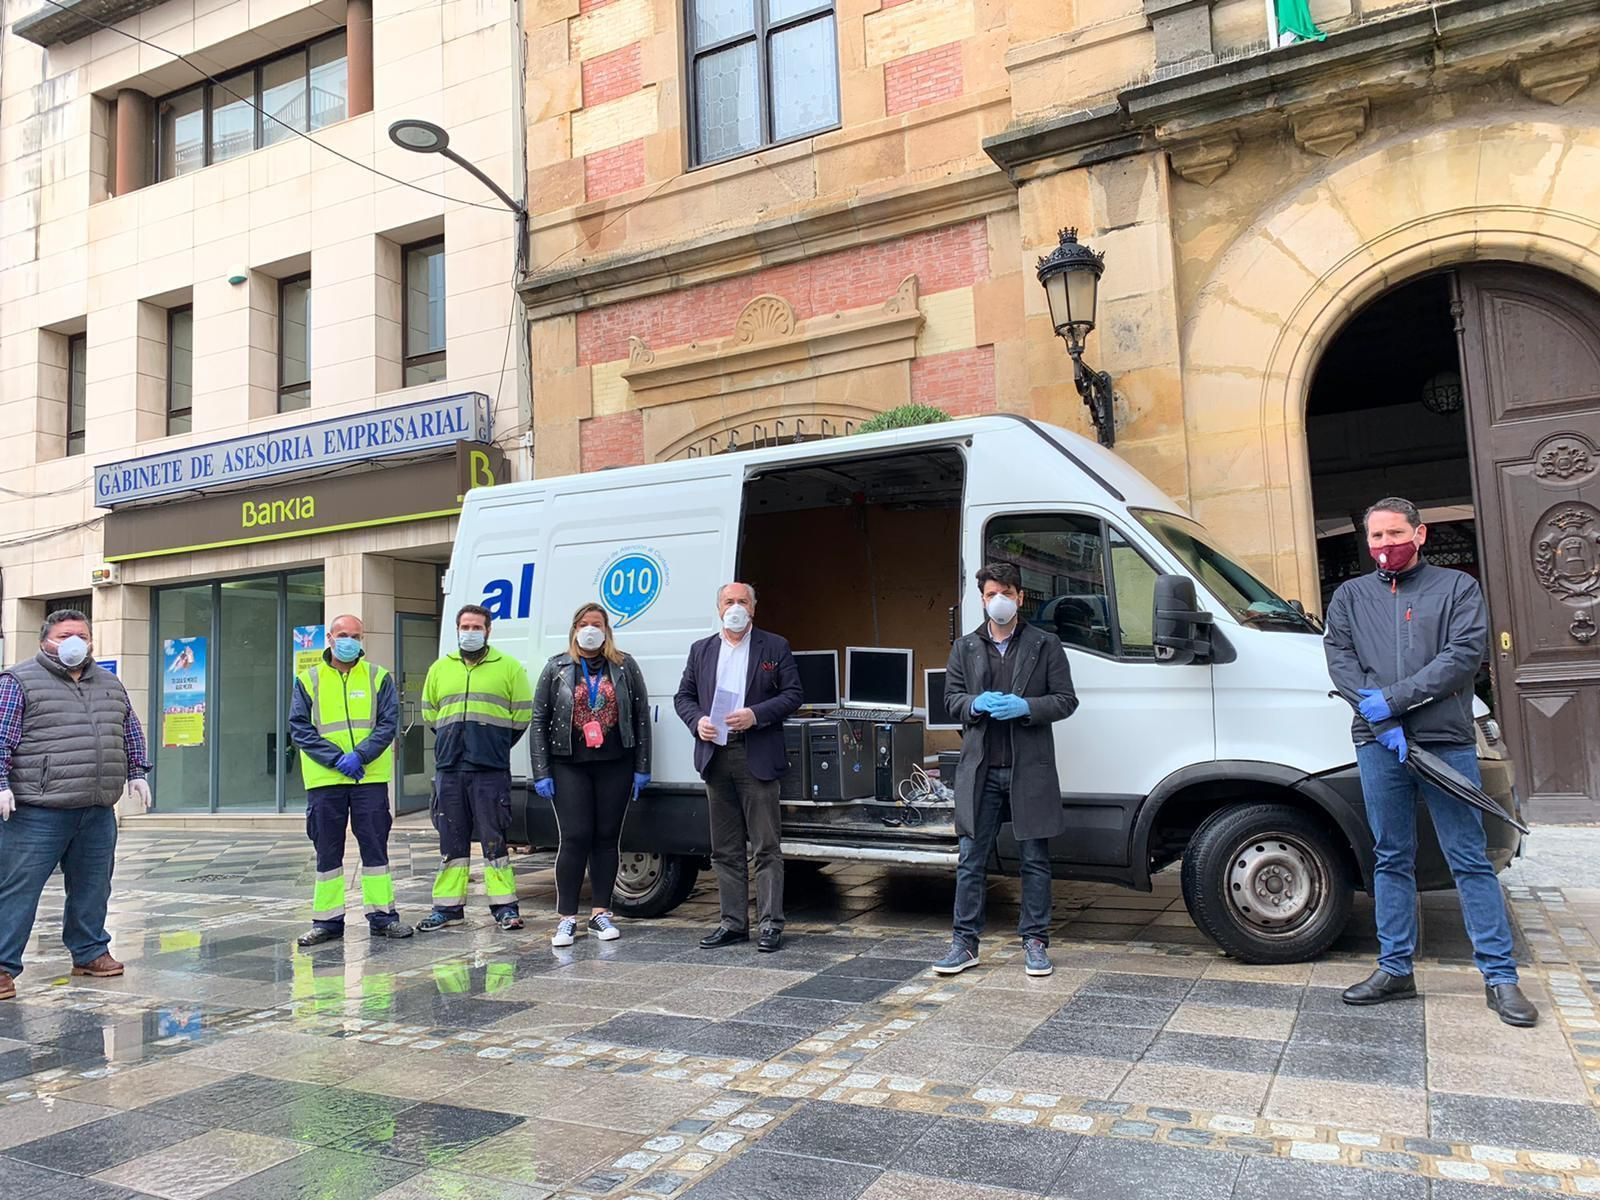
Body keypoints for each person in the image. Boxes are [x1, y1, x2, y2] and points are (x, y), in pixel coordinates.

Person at [1325, 497, 1537, 1026]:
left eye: (1395, 534)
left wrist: (1394, 702)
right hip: (1379, 744)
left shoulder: (1457, 588)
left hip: (1445, 741)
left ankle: (1500, 977)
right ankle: (1394, 969)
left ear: (1419, 535)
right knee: (1390, 856)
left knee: (1468, 856)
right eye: (1376, 536)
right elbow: (1342, 661)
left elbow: (1462, 657)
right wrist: (1381, 721)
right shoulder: (1349, 596)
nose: (1385, 545)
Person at [935, 562, 1078, 978]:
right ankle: (964, 943)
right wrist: (974, 704)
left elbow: (1065, 700)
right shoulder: (965, 647)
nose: (999, 600)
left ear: (1020, 597)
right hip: (981, 770)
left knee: (1034, 860)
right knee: (970, 859)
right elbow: (952, 700)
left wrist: (1027, 707)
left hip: (1027, 768)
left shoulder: (1045, 644)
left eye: (1006, 593)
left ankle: (1035, 941)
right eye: (991, 593)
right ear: (982, 600)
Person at [0, 610, 151, 1000]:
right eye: (65, 635)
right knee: (18, 888)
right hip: (37, 810)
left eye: (82, 636)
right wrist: (1, 784)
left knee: (93, 886)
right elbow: (1, 737)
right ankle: (2, 965)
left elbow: (129, 728)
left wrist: (137, 771)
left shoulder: (109, 683)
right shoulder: (18, 681)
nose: (74, 643)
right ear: (45, 641)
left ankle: (90, 952)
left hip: (97, 808)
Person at [674, 583, 802, 953]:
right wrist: (697, 721)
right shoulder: (701, 650)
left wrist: (755, 714)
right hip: (715, 754)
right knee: (725, 849)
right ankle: (732, 924)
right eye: (729, 601)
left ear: (753, 608)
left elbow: (793, 694)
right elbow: (684, 696)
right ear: (719, 608)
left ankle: (770, 924)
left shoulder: (774, 646)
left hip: (755, 753)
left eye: (742, 601)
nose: (735, 607)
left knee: (766, 846)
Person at [530, 603, 652, 947]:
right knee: (575, 836)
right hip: (569, 763)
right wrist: (541, 771)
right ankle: (567, 918)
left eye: (596, 624)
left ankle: (600, 913)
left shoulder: (624, 666)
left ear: (606, 630)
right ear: (574, 629)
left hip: (616, 762)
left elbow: (641, 716)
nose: (590, 629)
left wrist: (642, 766)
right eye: (584, 623)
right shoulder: (556, 667)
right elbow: (539, 720)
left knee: (607, 837)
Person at [289, 613, 411, 946]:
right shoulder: (308, 679)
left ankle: (383, 917)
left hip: (368, 778)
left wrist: (360, 755)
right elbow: (299, 728)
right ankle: (327, 922)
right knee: (327, 852)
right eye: (343, 635)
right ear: (329, 638)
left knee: (375, 849)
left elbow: (388, 724)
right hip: (325, 781)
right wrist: (337, 759)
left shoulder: (378, 677)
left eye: (356, 636)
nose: (350, 641)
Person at [414, 604, 534, 933]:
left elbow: (522, 715)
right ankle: (447, 909)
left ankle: (505, 908)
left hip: (490, 769)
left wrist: (493, 744)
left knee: (495, 841)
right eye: (465, 627)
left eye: (476, 627)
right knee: (451, 841)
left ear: (488, 631)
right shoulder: (440, 668)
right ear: (457, 630)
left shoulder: (508, 667)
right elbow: (430, 713)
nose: (470, 632)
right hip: (450, 768)